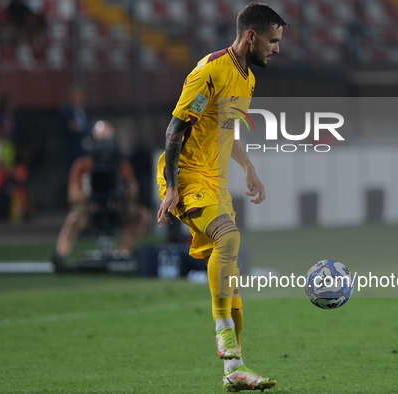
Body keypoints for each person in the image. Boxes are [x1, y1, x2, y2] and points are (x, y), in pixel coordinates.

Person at [156, 3, 287, 391]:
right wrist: (173, 185)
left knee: (233, 288)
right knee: (228, 238)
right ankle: (222, 333)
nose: (277, 49)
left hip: (215, 182)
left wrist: (248, 167)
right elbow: (174, 130)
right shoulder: (210, 71)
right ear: (251, 36)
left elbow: (227, 130)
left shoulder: (246, 79)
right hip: (186, 176)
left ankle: (235, 370)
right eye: (273, 40)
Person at [52, 121, 138, 270]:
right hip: (91, 211)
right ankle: (60, 257)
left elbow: (134, 192)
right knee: (73, 219)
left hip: (116, 210)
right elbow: (72, 196)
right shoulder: (82, 165)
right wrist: (93, 195)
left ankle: (123, 252)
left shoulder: (121, 165)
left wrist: (123, 192)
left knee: (141, 215)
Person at [59, 86, 90, 168]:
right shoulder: (65, 112)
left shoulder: (85, 112)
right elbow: (72, 127)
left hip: (85, 151)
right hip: (72, 151)